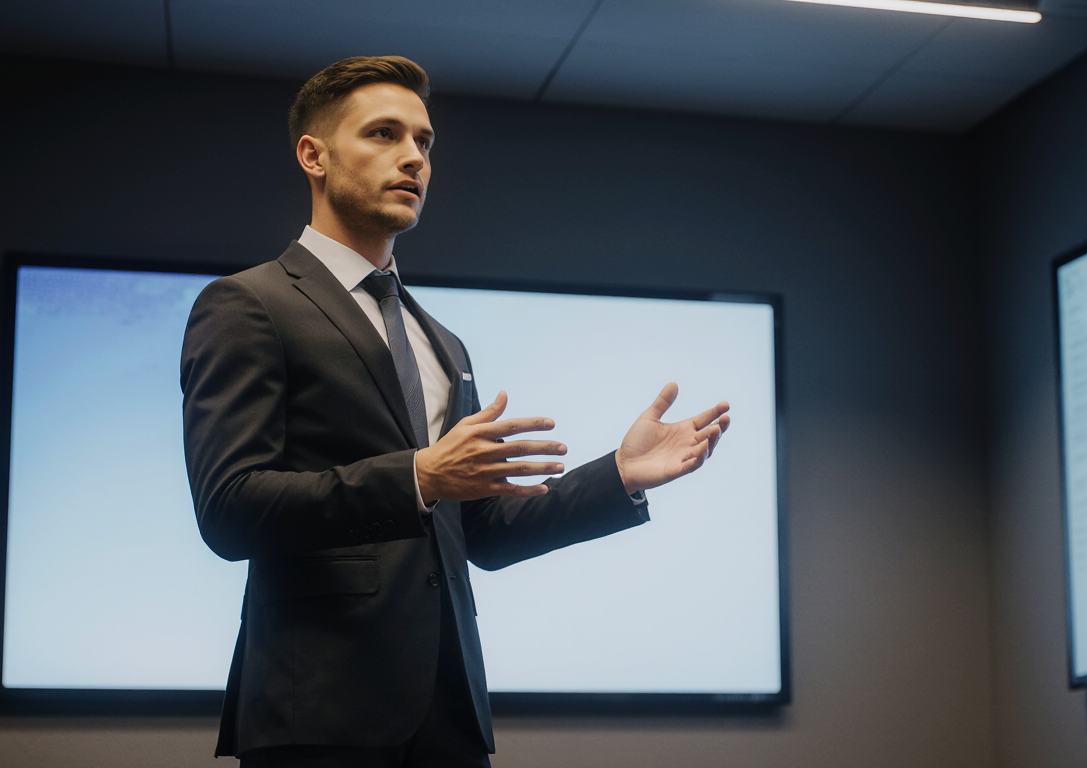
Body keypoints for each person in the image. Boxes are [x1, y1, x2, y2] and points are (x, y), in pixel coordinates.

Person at [180, 55, 731, 768]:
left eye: (424, 142)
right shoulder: (249, 304)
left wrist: (619, 476)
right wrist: (418, 475)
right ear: (313, 155)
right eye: (383, 134)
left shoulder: (440, 340)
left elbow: (482, 534)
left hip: (450, 719)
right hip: (318, 720)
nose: (413, 157)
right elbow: (230, 508)